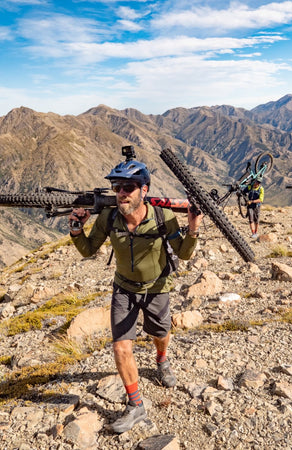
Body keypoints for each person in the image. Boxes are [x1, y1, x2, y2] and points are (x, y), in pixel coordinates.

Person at [68, 149, 202, 434]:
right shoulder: (109, 218)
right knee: (121, 346)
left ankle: (162, 361)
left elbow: (185, 254)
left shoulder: (163, 216)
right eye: (117, 188)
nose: (121, 194)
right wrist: (77, 231)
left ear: (144, 189)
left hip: (157, 288)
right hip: (124, 289)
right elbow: (89, 250)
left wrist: (193, 226)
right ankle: (135, 404)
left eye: (128, 188)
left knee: (159, 334)